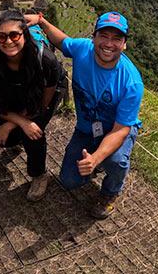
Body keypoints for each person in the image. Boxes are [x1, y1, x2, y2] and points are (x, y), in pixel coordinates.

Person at [24, 11, 144, 219]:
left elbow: (121, 129)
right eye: (104, 36)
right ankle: (95, 161)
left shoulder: (131, 82)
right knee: (69, 181)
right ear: (94, 37)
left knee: (115, 160)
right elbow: (62, 41)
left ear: (124, 44)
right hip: (87, 129)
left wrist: (95, 159)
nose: (109, 43)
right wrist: (41, 21)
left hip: (116, 129)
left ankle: (110, 192)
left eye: (116, 39)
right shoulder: (83, 50)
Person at [0, 10, 64, 201]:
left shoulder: (45, 60)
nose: (8, 41)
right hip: (13, 90)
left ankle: (39, 174)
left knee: (32, 133)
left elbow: (42, 105)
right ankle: (18, 135)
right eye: (1, 36)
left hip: (42, 95)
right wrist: (17, 121)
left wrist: (18, 124)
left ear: (24, 35)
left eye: (14, 35)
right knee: (6, 140)